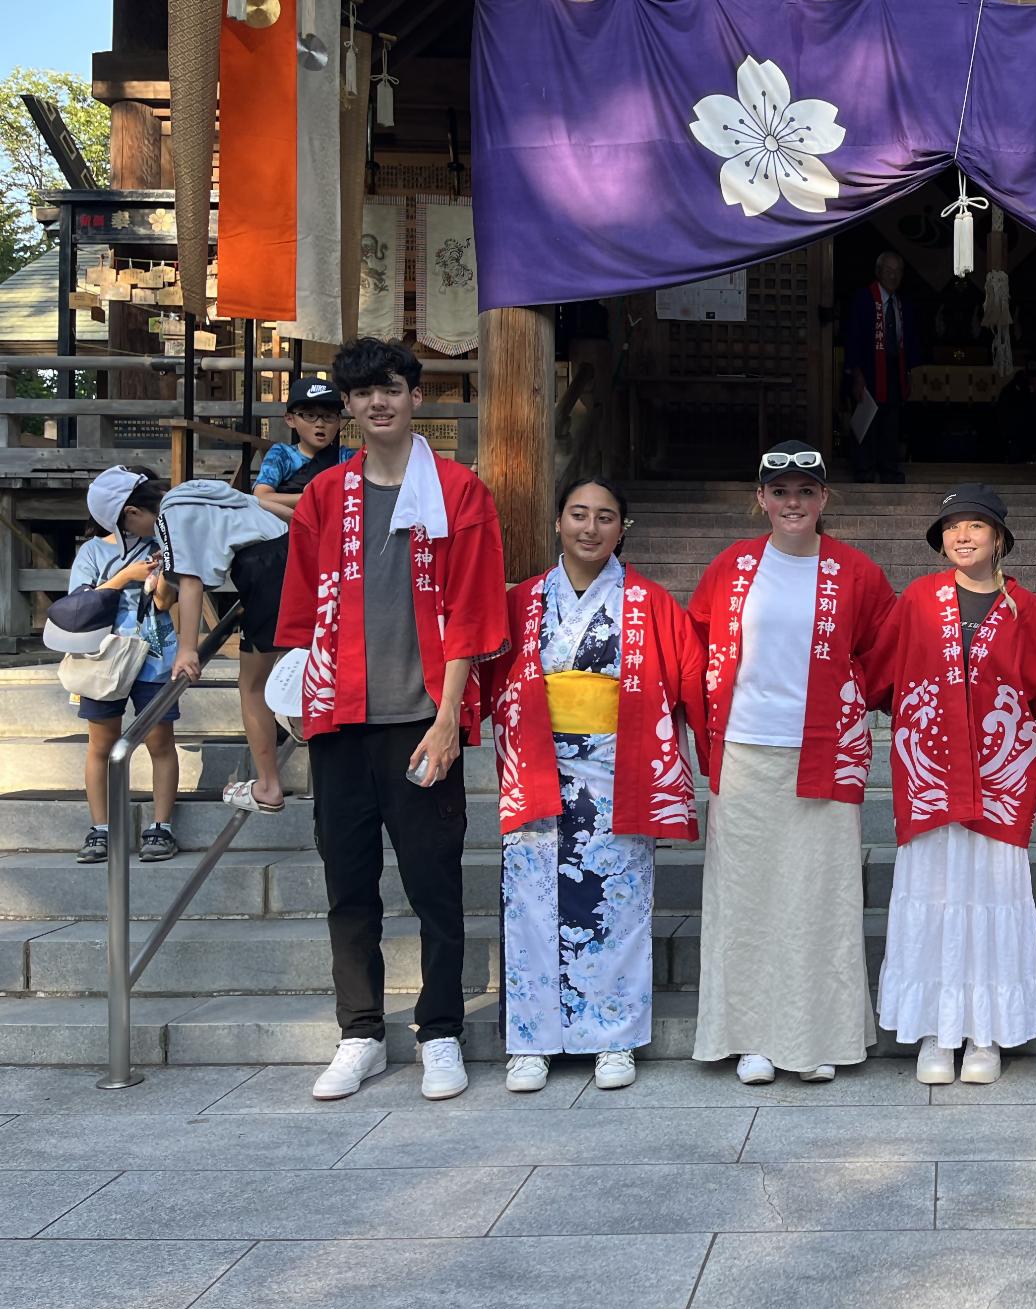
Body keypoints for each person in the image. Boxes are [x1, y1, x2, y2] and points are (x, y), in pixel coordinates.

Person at [275, 338, 508, 1103]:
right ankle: (361, 1032)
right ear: (345, 406)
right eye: (363, 392)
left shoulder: (459, 491)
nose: (379, 402)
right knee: (349, 885)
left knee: (434, 883)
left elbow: (474, 611)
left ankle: (441, 1030)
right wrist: (300, 707)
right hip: (339, 722)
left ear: (417, 397)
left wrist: (448, 722)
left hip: (420, 720)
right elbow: (304, 613)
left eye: (393, 388)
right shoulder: (322, 497)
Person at [488, 478, 707, 1093]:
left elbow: (694, 679)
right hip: (536, 762)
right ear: (557, 521)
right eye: (578, 515)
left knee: (618, 901)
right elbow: (481, 670)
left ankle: (613, 1036)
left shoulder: (650, 602)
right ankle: (531, 1040)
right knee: (529, 899)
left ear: (621, 529)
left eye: (605, 517)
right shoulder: (523, 600)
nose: (590, 527)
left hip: (619, 766)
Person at [687, 442, 895, 1084]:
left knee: (820, 895)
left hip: (823, 752)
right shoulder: (734, 565)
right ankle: (750, 1036)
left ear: (824, 499)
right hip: (747, 748)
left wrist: (858, 702)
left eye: (806, 492)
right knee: (744, 895)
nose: (793, 503)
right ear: (762, 499)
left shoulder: (856, 572)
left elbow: (886, 652)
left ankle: (819, 1036)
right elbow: (695, 651)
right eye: (780, 492)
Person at [875, 484, 1036, 1085]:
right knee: (931, 893)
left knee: (991, 895)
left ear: (999, 538)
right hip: (931, 771)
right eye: (952, 526)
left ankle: (986, 1031)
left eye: (976, 526)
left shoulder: (1024, 608)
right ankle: (935, 1027)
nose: (963, 535)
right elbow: (880, 674)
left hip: (998, 776)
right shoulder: (916, 600)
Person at [65, 467, 180, 864]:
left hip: (154, 654)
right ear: (129, 512)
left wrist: (163, 572)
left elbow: (165, 602)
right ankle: (101, 827)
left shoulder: (164, 545)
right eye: (152, 507)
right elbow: (79, 603)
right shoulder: (92, 552)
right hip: (101, 656)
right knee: (101, 744)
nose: (157, 514)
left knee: (160, 741)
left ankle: (160, 825)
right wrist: (125, 576)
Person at [155, 477, 290, 816]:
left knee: (252, 685)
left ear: (130, 513)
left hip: (264, 570)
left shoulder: (166, 515)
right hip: (297, 549)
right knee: (298, 658)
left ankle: (269, 786)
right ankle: (300, 720)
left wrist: (187, 649)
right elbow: (271, 508)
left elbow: (190, 581)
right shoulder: (207, 492)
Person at [843, 251, 916, 483]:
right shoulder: (864, 298)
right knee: (867, 421)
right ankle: (864, 469)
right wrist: (856, 374)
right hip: (869, 369)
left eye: (898, 272)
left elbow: (907, 340)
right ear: (878, 272)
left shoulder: (901, 303)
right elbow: (853, 337)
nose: (893, 276)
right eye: (888, 270)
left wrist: (908, 373)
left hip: (894, 368)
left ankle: (889, 469)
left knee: (891, 422)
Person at [253, 375, 355, 525]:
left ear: (339, 421)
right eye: (310, 415)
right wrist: (309, 497)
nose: (320, 423)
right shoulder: (281, 455)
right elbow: (261, 496)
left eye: (329, 416)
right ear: (290, 419)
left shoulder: (347, 458)